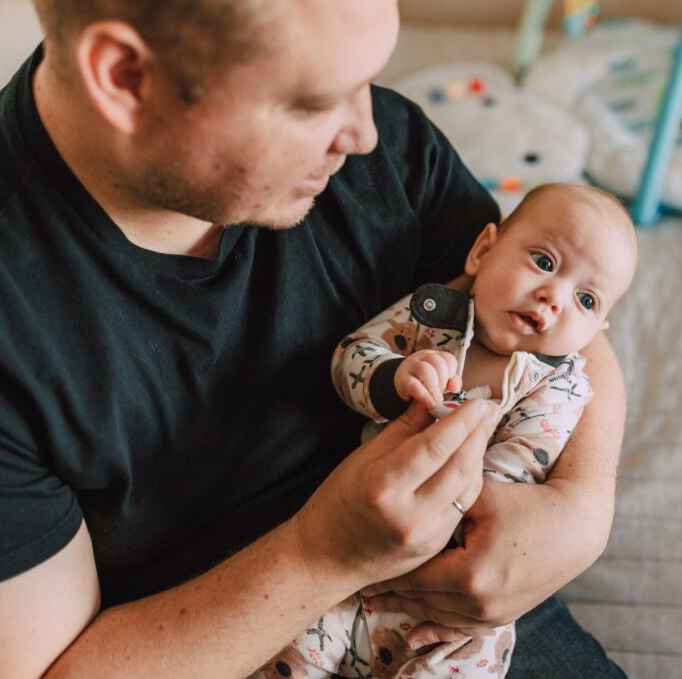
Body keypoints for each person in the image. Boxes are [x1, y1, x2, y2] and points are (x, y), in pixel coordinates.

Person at [0, 0, 629, 677]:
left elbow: (548, 314)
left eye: (366, 79)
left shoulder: (385, 147)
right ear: (126, 77)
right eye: (313, 102)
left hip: (447, 611)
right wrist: (325, 552)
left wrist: (582, 508)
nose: (365, 133)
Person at [268, 184, 636, 677]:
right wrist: (395, 377)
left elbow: (518, 469)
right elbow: (350, 356)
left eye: (586, 299)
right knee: (290, 655)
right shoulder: (430, 317)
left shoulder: (559, 389)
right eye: (545, 262)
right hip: (353, 563)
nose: (554, 297)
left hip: (452, 611)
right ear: (483, 250)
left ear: (597, 331)